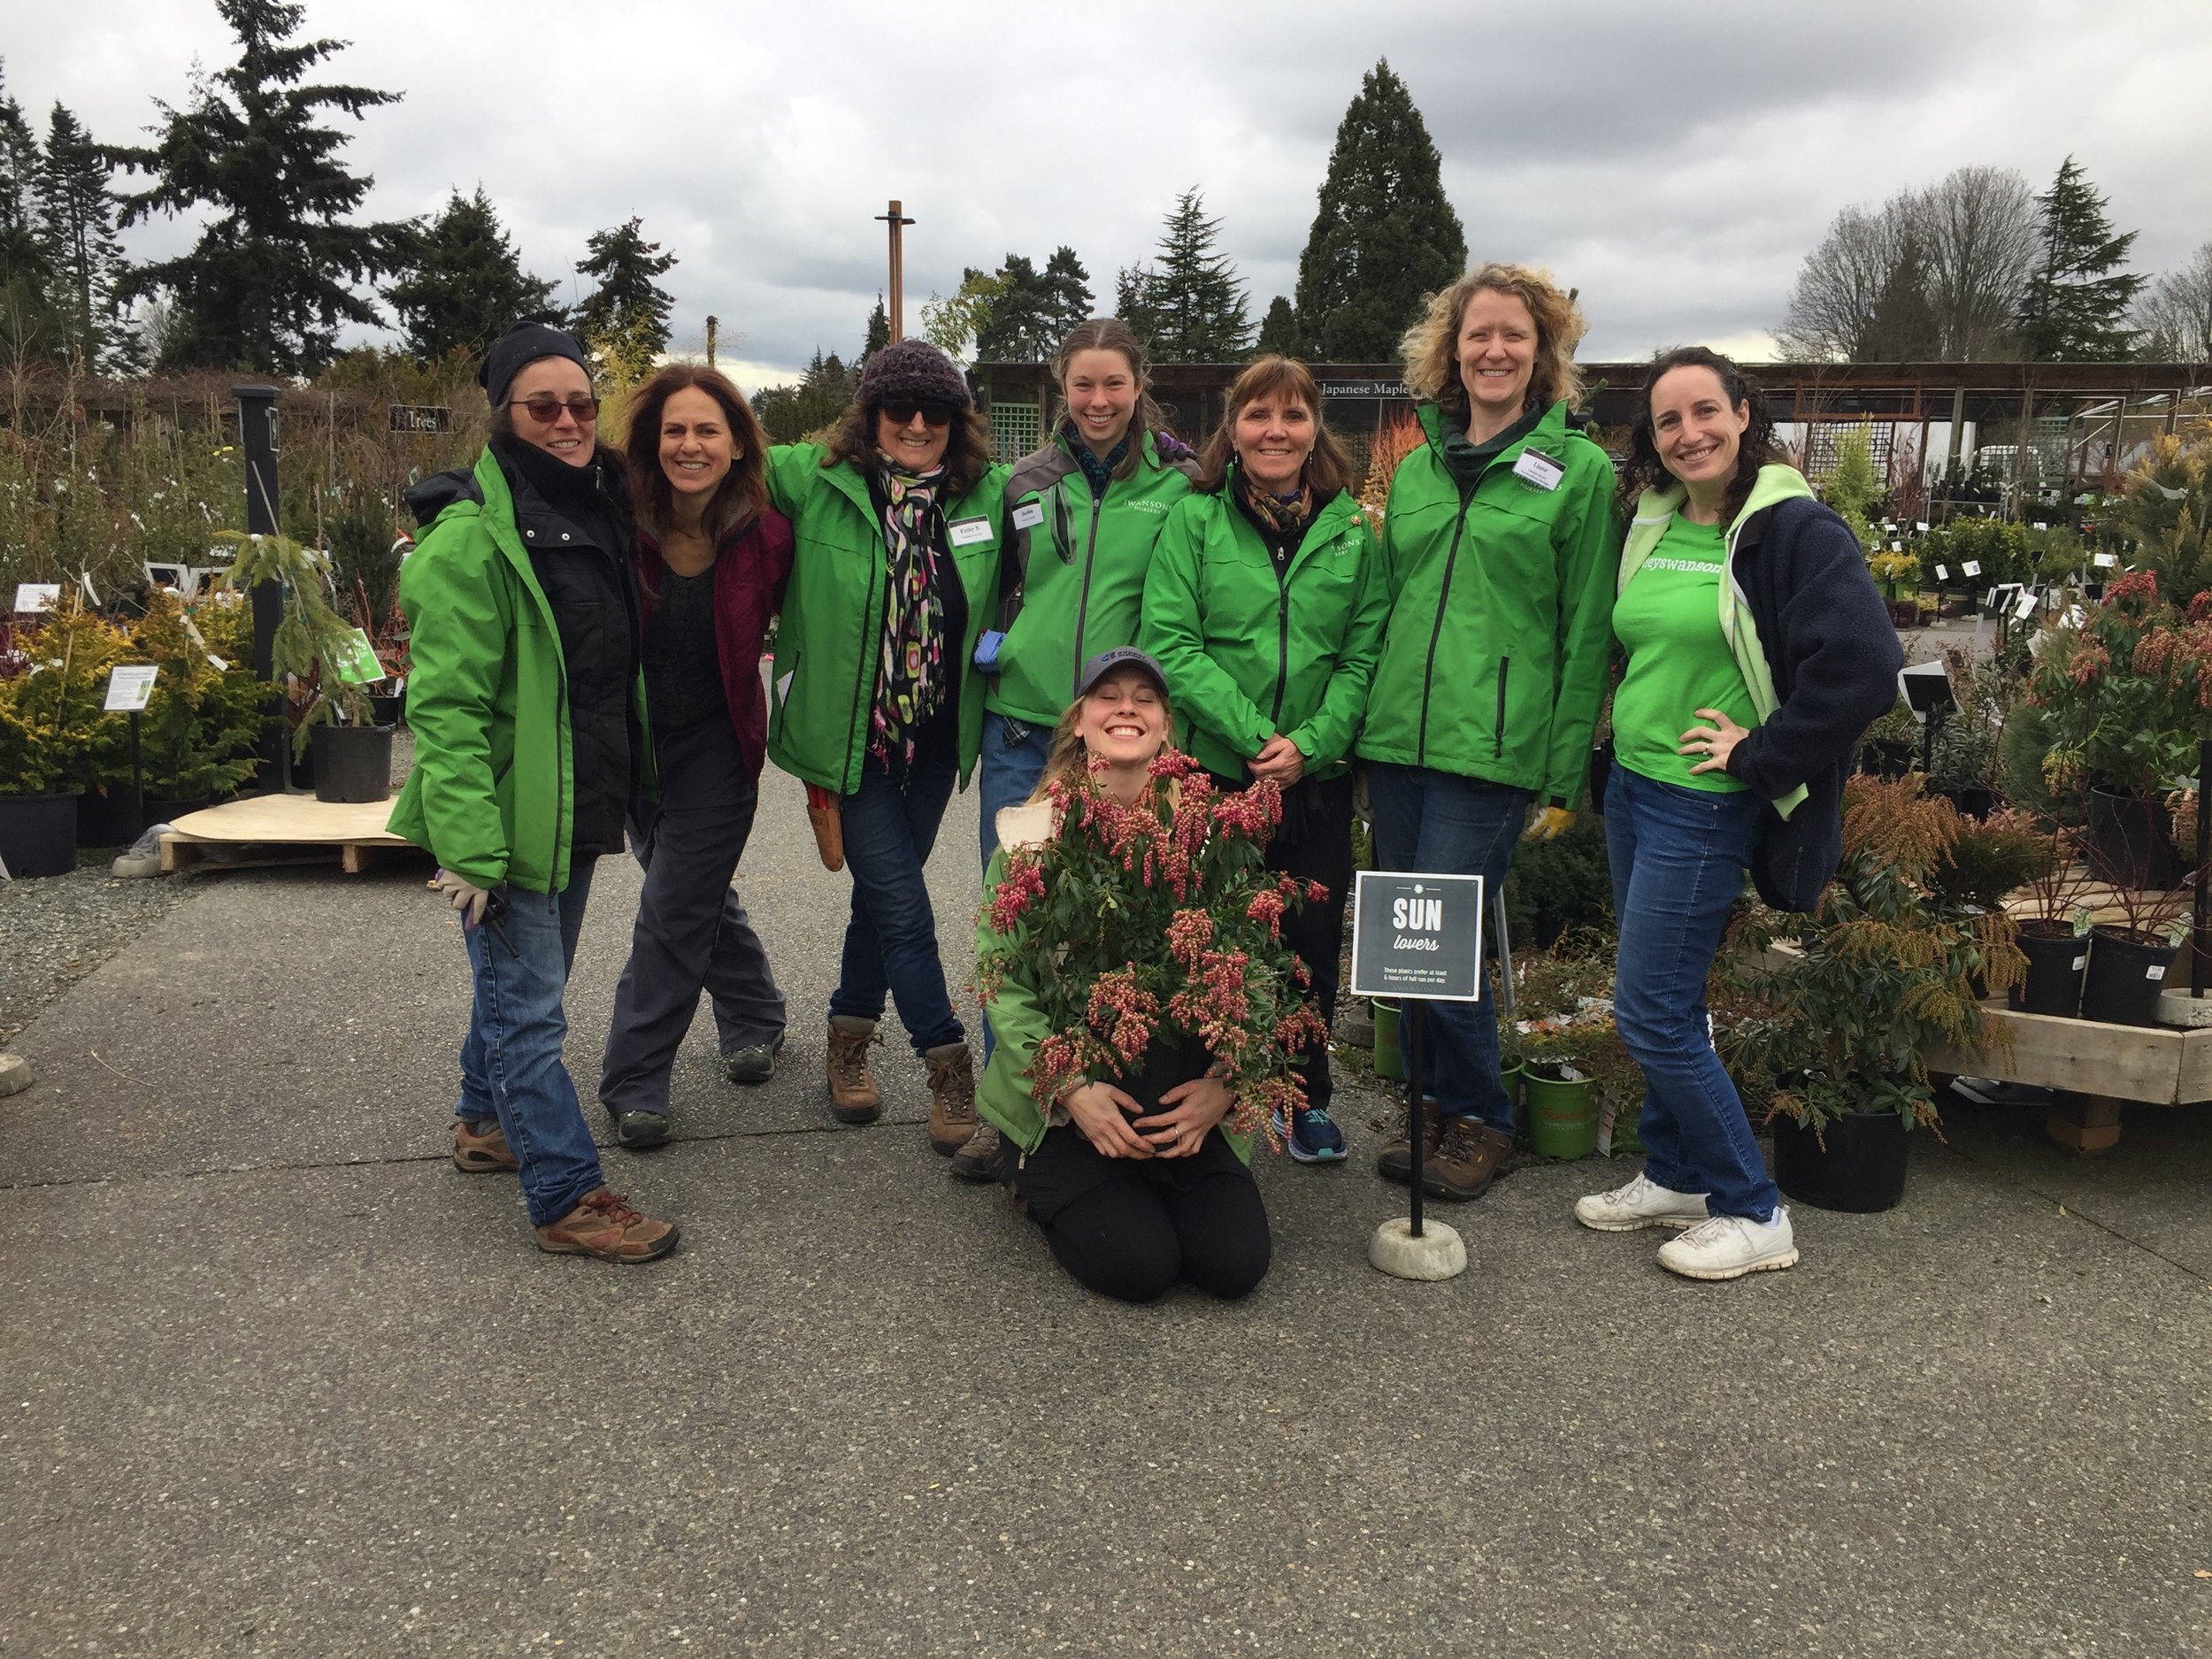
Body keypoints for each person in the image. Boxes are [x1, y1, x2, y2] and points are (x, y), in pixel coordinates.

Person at [1574, 346, 1900, 1280]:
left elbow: (1864, 664)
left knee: (1650, 1012)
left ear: (1745, 414)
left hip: (1703, 804)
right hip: (1636, 787)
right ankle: (1677, 1175)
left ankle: (1755, 1211)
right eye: (1668, 421)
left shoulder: (1790, 527)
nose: (1689, 434)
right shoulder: (1656, 519)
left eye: (1705, 411)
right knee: (1671, 1002)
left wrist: (1761, 752)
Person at [388, 320, 675, 1263]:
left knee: (520, 991)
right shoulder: (471, 537)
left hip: (572, 806)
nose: (567, 420)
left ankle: (483, 1124)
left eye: (583, 405)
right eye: (543, 405)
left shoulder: (595, 505)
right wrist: (469, 849)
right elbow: (445, 708)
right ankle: (564, 1194)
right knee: (531, 1009)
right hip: (505, 822)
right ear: (505, 414)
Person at [1357, 263, 1617, 1202]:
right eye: (1478, 335)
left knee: (1444, 944)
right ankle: (1432, 1098)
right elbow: (1385, 605)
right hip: (1396, 743)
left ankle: (1481, 1119)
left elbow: (1585, 628)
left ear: (1542, 352)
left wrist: (1560, 775)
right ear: (1451, 350)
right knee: (1399, 939)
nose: (1494, 350)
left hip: (1490, 751)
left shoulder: (1578, 472)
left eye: (1513, 335)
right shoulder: (1421, 466)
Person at [763, 339, 1009, 1163]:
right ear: (868, 417)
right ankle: (945, 1060)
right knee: (904, 906)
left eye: (933, 410)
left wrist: (1175, 458)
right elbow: (718, 453)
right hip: (852, 742)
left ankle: (847, 1032)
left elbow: (1077, 483)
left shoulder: (987, 497)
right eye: (897, 407)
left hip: (933, 745)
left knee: (880, 894)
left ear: (956, 423)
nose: (915, 423)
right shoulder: (817, 481)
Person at [1141, 355, 1387, 1165]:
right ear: (1233, 428)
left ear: (1317, 428)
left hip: (1310, 781)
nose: (1275, 430)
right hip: (1216, 769)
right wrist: (1254, 738)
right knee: (1206, 935)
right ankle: (1204, 1086)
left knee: (1308, 942)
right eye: (1257, 415)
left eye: (1292, 415)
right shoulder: (1196, 519)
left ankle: (1303, 1092)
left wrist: (1309, 746)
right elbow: (1171, 641)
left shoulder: (1354, 530)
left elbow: (1362, 656)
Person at [974, 650, 1272, 1302]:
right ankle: (1032, 1171)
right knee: (1138, 1267)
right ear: (1079, 722)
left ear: (1167, 727)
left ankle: (1156, 1183)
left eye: (1145, 697)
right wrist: (1073, 1089)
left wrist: (1226, 1083)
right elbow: (1004, 986)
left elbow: (1256, 976)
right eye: (1108, 696)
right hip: (1072, 1109)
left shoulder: (1210, 839)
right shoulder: (1030, 841)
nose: (1127, 707)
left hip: (1178, 1105)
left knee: (1235, 1264)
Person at [595, 365, 794, 1148]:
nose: (690, 444)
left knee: (673, 906)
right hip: (635, 744)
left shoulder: (766, 533)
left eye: (708, 429)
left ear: (737, 441)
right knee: (693, 892)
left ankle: (635, 1079)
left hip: (719, 742)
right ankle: (756, 1014)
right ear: (652, 441)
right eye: (675, 430)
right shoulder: (616, 518)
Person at [978, 319, 1196, 862]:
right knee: (1014, 899)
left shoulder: (1181, 483)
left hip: (1122, 730)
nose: (1098, 401)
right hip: (1021, 728)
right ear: (1062, 387)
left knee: (1117, 912)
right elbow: (996, 582)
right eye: (1083, 385)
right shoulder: (1023, 481)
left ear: (1139, 386)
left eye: (1114, 384)